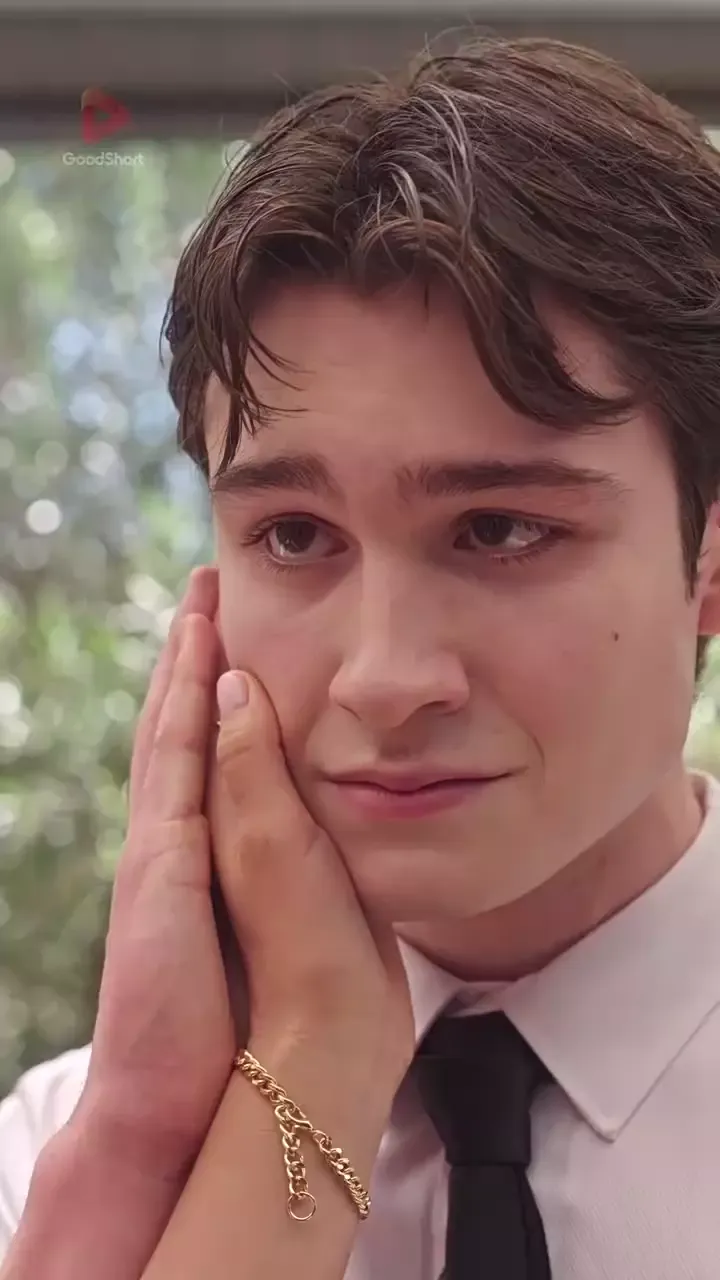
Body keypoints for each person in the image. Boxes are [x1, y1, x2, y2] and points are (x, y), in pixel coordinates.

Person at [2, 31, 720, 1280]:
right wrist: (230, 1098)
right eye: (294, 534)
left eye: (500, 529)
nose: (383, 678)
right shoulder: (63, 1153)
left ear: (707, 560)